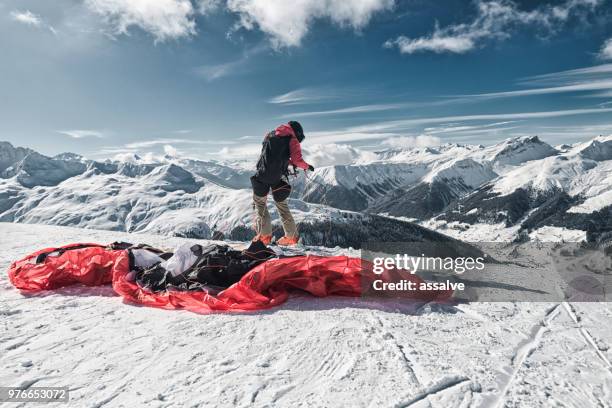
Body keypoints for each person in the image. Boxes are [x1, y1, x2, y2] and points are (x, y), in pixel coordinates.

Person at [250, 121, 314, 246]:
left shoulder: (270, 135)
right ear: (298, 132)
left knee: (260, 205)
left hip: (262, 175)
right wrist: (307, 166)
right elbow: (297, 159)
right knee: (282, 207)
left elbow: (270, 156)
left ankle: (264, 237)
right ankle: (291, 237)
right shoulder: (292, 139)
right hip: (277, 178)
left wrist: (288, 162)